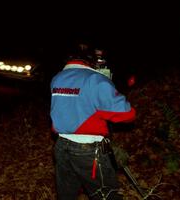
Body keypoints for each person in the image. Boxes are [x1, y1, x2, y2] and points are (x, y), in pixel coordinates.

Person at [50, 44, 136, 200]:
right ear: (91, 60)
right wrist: (107, 85)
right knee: (106, 195)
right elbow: (126, 114)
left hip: (61, 146)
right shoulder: (96, 80)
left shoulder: (57, 78)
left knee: (66, 195)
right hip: (88, 150)